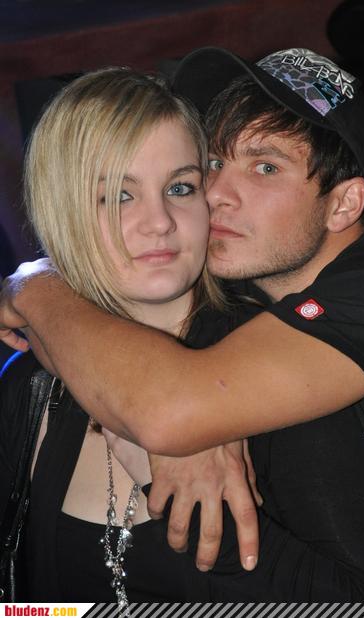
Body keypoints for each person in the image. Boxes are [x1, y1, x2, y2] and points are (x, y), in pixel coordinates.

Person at [2, 46, 364, 601]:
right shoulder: (35, 381)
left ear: (343, 205)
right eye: (214, 164)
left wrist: (33, 286)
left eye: (266, 167)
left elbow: (173, 408)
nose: (215, 195)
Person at [0, 66, 265, 605]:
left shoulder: (274, 365)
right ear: (63, 211)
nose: (160, 221)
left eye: (180, 188)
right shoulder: (28, 382)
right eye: (118, 196)